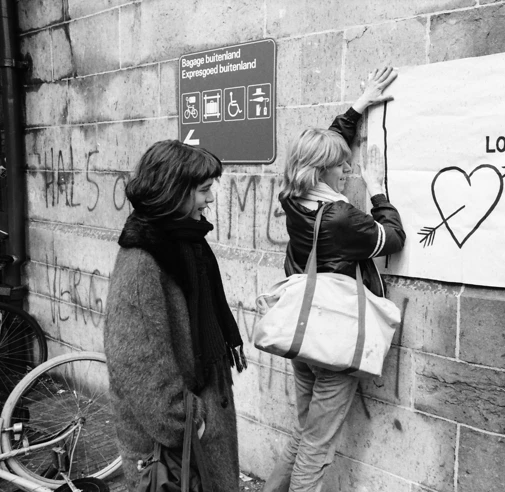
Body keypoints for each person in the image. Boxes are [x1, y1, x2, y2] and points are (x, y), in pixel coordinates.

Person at [263, 67, 406, 492]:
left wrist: (360, 104)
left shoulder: (293, 197)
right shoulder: (342, 217)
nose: (347, 171)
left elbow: (322, 143)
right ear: (321, 171)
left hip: (304, 333)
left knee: (308, 432)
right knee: (319, 447)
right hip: (334, 340)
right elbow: (393, 239)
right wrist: (379, 193)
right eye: (340, 167)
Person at [104, 140, 247, 491]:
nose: (210, 199)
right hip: (173, 445)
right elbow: (135, 361)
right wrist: (190, 422)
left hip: (201, 427)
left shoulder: (187, 243)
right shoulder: (143, 262)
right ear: (174, 192)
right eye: (203, 190)